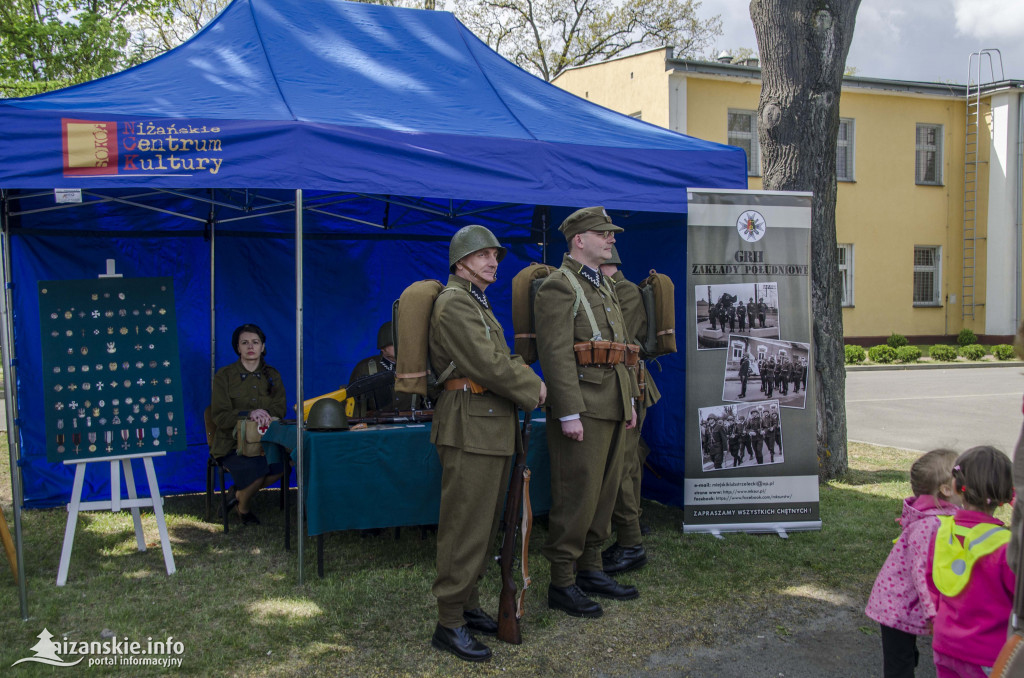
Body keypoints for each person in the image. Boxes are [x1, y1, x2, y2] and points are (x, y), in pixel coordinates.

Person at [428, 224, 545, 663]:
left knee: (483, 525)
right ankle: (449, 622)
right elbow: (488, 364)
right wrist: (533, 386)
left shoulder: (476, 301)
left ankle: (468, 605)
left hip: (489, 424)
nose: (493, 261)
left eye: (495, 255)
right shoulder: (455, 303)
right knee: (465, 526)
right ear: (461, 263)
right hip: (469, 425)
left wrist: (523, 378)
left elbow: (499, 357)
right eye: (482, 256)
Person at [535, 206, 639, 619]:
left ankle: (591, 567)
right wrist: (567, 413)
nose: (612, 239)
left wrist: (629, 399)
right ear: (579, 239)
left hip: (612, 403)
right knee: (576, 496)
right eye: (604, 233)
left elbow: (621, 350)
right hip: (583, 408)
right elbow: (556, 354)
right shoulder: (558, 286)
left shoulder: (603, 285)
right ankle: (562, 580)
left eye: (611, 233)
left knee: (605, 493)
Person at [865, 448, 958, 678]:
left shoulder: (940, 518)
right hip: (896, 608)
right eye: (961, 478)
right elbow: (922, 574)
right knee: (900, 667)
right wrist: (934, 616)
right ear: (946, 489)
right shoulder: (930, 525)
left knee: (907, 657)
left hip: (906, 605)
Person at [599, 245, 662, 576]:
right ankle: (626, 529)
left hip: (631, 385)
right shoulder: (610, 290)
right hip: (618, 386)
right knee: (624, 461)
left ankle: (630, 541)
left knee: (624, 464)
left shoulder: (623, 292)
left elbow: (623, 344)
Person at [927, 446, 1015, 677]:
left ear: (956, 486)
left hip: (946, 645)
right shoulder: (1006, 546)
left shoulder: (942, 531)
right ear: (1006, 496)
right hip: (988, 654)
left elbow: (932, 582)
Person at [210, 323, 286, 525]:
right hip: (231, 444)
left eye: (255, 342)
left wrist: (266, 414)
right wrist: (249, 414)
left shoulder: (273, 375)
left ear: (263, 346)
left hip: (265, 442)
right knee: (258, 468)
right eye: (244, 343)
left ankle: (237, 494)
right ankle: (243, 508)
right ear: (237, 348)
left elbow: (280, 409)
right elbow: (220, 416)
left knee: (280, 467)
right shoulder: (224, 376)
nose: (250, 347)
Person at [347, 321, 419, 416]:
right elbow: (353, 408)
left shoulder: (418, 367)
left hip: (413, 426)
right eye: (394, 343)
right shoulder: (365, 368)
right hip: (375, 427)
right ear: (382, 347)